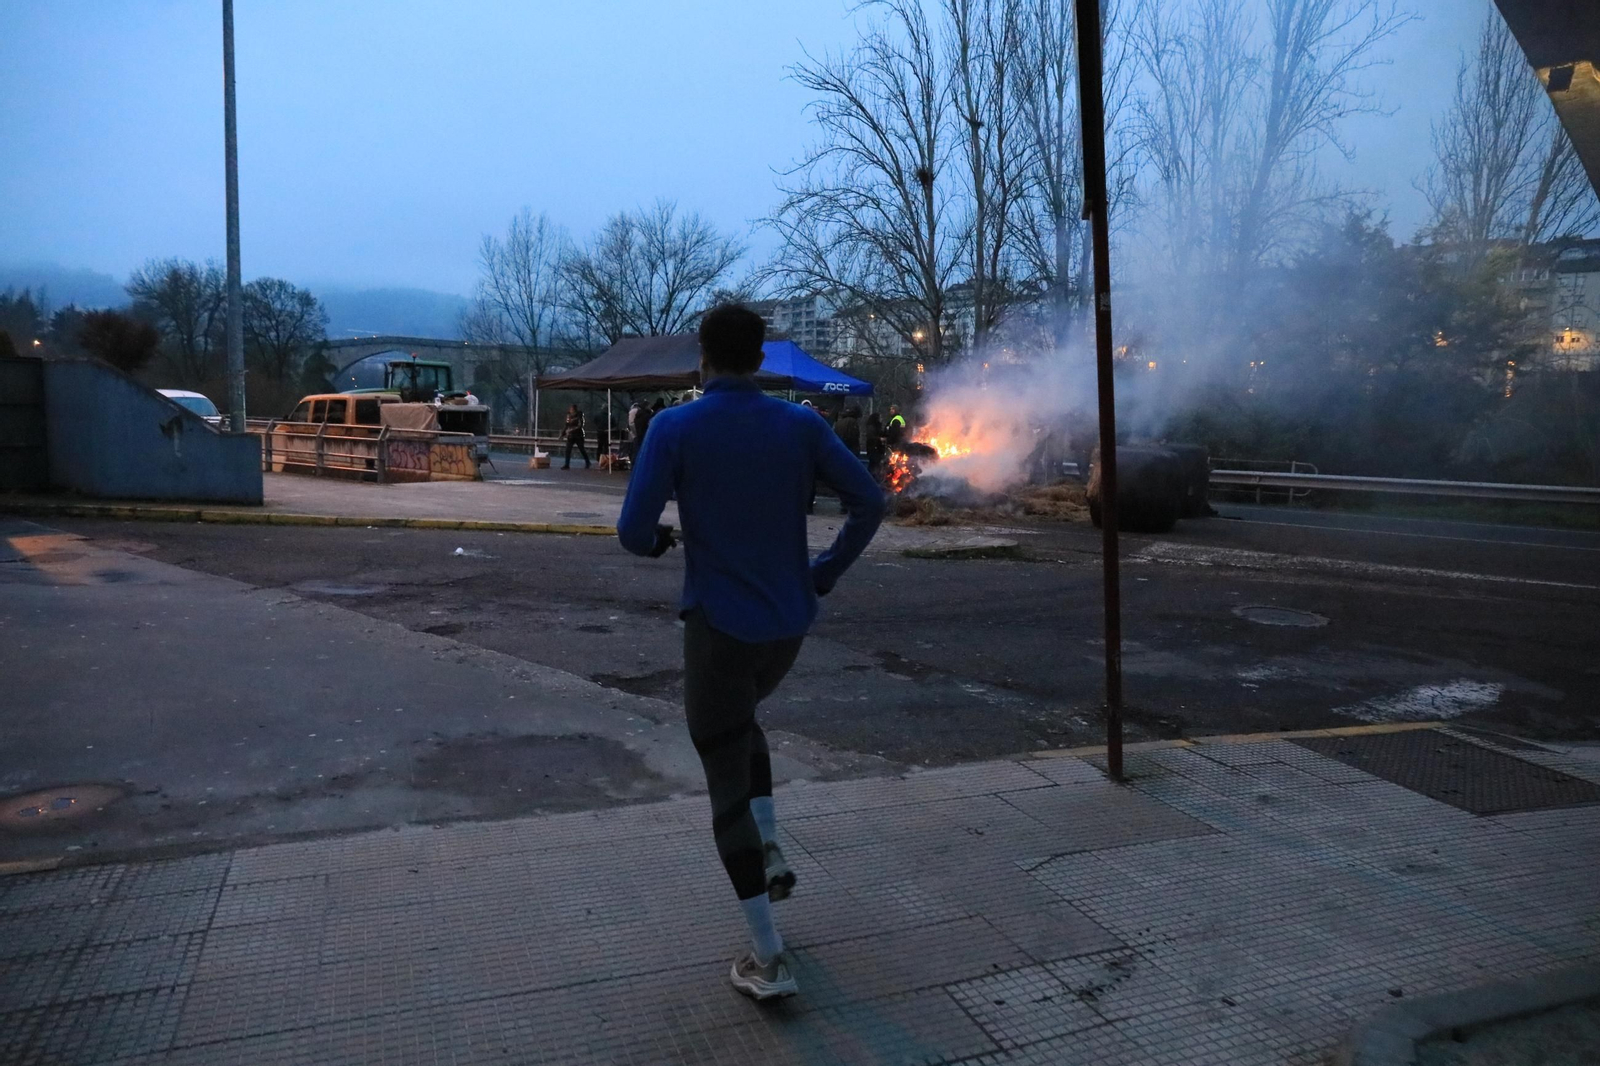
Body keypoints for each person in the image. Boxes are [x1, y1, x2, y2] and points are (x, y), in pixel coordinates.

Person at [618, 304, 883, 1001]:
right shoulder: (800, 423)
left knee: (722, 770)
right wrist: (822, 571)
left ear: (701, 358)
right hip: (787, 629)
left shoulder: (675, 427)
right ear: (762, 358)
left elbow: (632, 530)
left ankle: (769, 959)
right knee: (743, 725)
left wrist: (657, 545)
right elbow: (869, 502)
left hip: (719, 627)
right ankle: (767, 846)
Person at [562, 404, 590, 469]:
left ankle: (587, 462)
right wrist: (563, 433)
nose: (570, 410)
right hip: (571, 436)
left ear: (574, 409)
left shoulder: (579, 416)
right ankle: (567, 464)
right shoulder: (569, 416)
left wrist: (571, 429)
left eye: (571, 409)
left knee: (581, 449)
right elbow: (567, 425)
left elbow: (580, 425)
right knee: (568, 450)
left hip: (578, 435)